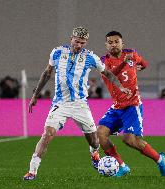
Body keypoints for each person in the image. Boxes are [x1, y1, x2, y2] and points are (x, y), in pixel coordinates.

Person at [23, 27, 130, 180]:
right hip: (60, 104)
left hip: (80, 104)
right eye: (77, 41)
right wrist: (35, 95)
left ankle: (94, 153)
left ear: (86, 42)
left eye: (82, 42)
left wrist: (120, 86)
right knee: (47, 134)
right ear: (71, 38)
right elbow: (47, 73)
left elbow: (107, 73)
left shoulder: (90, 57)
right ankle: (32, 171)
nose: (79, 45)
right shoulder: (58, 52)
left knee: (94, 140)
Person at [97, 31, 165, 177]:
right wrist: (125, 63)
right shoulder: (103, 61)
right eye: (110, 42)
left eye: (116, 41)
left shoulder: (131, 54)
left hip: (132, 105)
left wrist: (138, 67)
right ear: (106, 45)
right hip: (117, 106)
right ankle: (122, 167)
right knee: (100, 134)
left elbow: (144, 63)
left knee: (129, 140)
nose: (113, 44)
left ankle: (160, 159)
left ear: (122, 43)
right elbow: (110, 74)